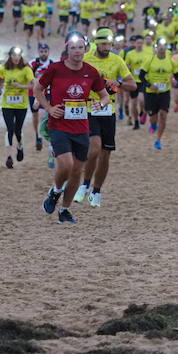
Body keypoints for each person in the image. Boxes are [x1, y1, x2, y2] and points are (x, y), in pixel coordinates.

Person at [36, 33, 111, 224]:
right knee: (66, 165)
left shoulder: (91, 72)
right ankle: (55, 191)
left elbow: (105, 96)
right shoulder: (55, 69)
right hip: (59, 125)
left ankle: (65, 209)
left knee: (78, 171)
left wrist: (100, 105)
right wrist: (49, 108)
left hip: (81, 127)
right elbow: (37, 90)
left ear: (85, 49)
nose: (77, 51)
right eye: (73, 48)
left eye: (80, 47)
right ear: (67, 50)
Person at [73, 28, 137, 207]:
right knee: (94, 149)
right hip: (90, 109)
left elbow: (132, 85)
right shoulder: (86, 59)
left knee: (105, 154)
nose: (106, 47)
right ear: (96, 43)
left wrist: (119, 83)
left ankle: (97, 191)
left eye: (109, 44)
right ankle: (84, 184)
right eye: (103, 43)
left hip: (108, 111)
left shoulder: (117, 60)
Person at [0, 47, 35, 168]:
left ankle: (20, 146)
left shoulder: (26, 69)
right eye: (13, 55)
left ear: (20, 56)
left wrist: (20, 86)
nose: (16, 57)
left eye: (18, 55)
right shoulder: (4, 69)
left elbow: (32, 85)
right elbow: (0, 80)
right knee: (10, 129)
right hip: (7, 104)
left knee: (18, 130)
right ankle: (9, 157)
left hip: (21, 105)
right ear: (10, 56)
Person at [141, 39, 176, 150]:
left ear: (166, 47)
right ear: (156, 48)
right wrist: (149, 85)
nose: (161, 48)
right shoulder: (150, 60)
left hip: (164, 92)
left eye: (163, 45)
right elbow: (141, 75)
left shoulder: (170, 60)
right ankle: (152, 124)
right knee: (153, 117)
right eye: (159, 46)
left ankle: (158, 140)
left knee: (163, 115)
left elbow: (177, 74)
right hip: (151, 93)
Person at [29, 43, 57, 152]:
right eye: (41, 51)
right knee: (35, 115)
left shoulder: (52, 64)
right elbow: (27, 77)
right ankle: (37, 135)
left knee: (43, 115)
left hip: (47, 93)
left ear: (48, 52)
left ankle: (43, 137)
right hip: (33, 92)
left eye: (45, 51)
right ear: (38, 52)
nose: (43, 54)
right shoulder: (32, 63)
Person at [124, 35, 150, 130]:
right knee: (133, 103)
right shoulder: (130, 54)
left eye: (141, 43)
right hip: (133, 81)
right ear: (135, 44)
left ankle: (142, 111)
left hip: (143, 80)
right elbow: (126, 65)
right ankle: (136, 122)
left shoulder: (147, 54)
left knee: (142, 100)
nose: (139, 45)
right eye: (137, 43)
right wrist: (128, 69)